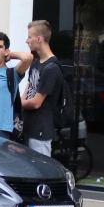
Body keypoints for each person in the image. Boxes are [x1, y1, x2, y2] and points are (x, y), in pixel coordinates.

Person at [21, 20, 62, 156]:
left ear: (39, 39)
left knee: (40, 172)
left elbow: (36, 102)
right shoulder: (36, 63)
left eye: (29, 37)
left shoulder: (51, 68)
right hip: (29, 127)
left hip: (41, 132)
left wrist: (17, 104)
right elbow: (27, 91)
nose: (27, 41)